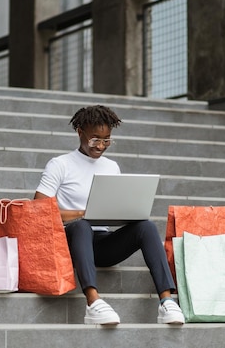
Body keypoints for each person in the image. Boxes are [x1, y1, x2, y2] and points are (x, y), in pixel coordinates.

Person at [34, 104, 185, 325]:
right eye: (95, 139)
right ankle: (93, 302)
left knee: (147, 226)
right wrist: (83, 213)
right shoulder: (60, 165)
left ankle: (166, 302)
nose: (101, 146)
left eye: (107, 140)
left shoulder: (111, 167)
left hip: (102, 243)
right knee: (81, 225)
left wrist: (129, 212)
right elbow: (38, 209)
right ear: (80, 133)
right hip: (70, 240)